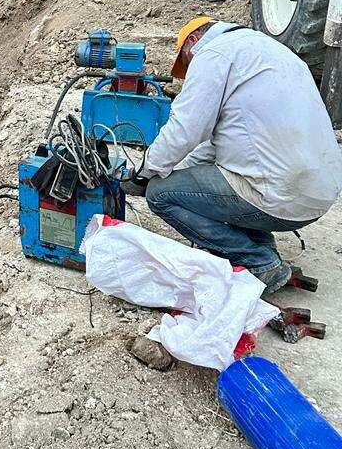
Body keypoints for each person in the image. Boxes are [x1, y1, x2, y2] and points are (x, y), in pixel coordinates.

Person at [136, 17, 342, 292]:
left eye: (186, 64)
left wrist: (144, 173)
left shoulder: (213, 54)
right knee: (233, 180)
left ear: (193, 42)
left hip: (279, 194)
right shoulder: (268, 51)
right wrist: (173, 171)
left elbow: (185, 130)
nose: (189, 72)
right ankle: (265, 251)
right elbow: (211, 145)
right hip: (319, 195)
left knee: (160, 194)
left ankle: (258, 262)